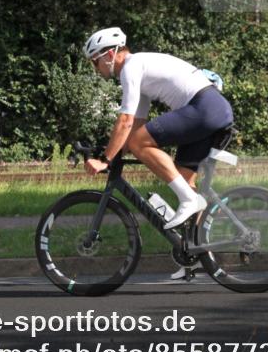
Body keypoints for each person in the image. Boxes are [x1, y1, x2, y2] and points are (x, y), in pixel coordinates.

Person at [82, 27, 234, 230]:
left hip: (205, 108)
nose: (95, 68)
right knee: (182, 180)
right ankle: (197, 244)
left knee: (139, 143)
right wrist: (115, 151)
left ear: (110, 54)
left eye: (95, 61)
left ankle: (189, 200)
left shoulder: (130, 67)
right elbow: (136, 123)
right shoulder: (140, 68)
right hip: (213, 109)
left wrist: (105, 160)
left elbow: (125, 121)